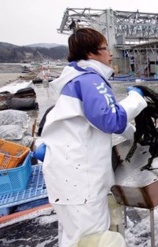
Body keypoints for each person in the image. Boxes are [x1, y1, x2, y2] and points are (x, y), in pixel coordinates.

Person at [38, 28, 148, 247]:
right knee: (92, 240)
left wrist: (130, 132)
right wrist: (135, 99)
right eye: (106, 48)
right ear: (91, 54)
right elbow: (110, 119)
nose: (110, 54)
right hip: (81, 183)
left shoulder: (74, 80)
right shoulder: (90, 80)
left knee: (75, 237)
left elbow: (94, 121)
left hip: (68, 177)